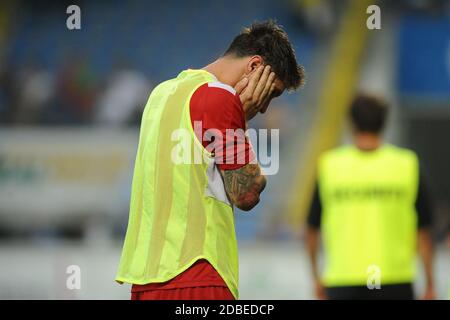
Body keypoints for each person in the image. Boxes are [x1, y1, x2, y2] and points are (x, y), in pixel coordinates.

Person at [116, 20, 305, 300]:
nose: (264, 107)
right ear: (254, 66)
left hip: (146, 281)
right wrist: (240, 119)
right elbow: (247, 193)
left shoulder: (160, 94)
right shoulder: (220, 98)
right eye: (272, 92)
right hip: (199, 276)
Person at [306, 94, 435, 300]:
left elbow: (312, 229)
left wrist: (316, 278)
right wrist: (430, 282)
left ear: (352, 123)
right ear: (384, 123)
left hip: (342, 279)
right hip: (394, 279)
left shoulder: (330, 166)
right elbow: (424, 232)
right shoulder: (407, 165)